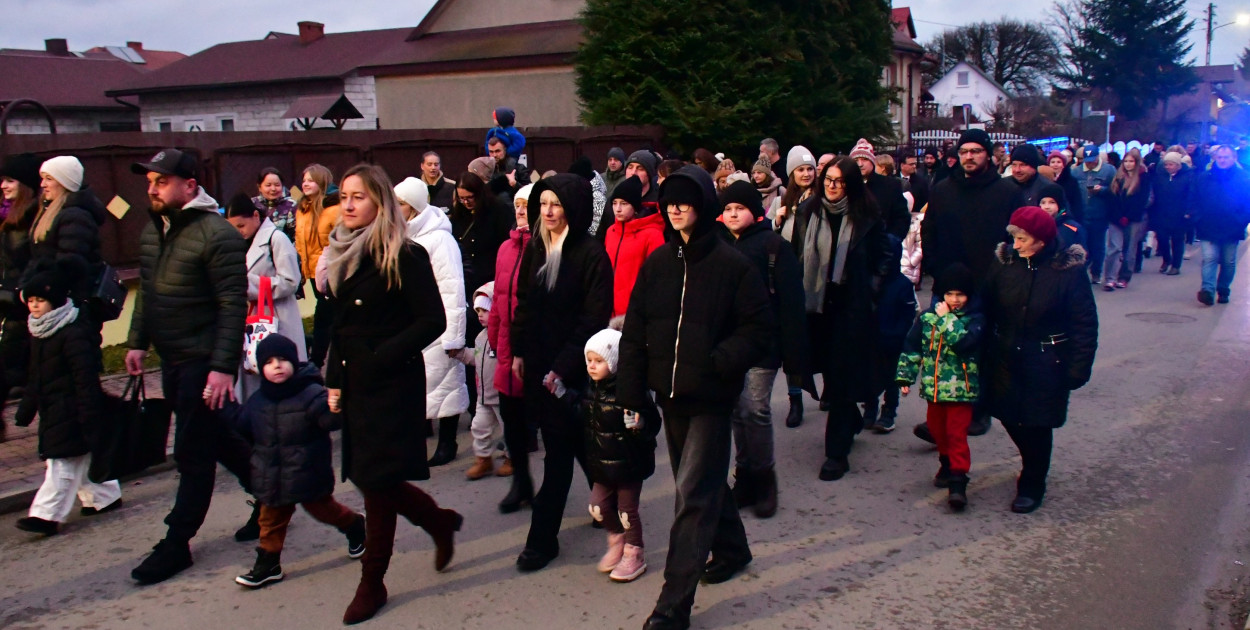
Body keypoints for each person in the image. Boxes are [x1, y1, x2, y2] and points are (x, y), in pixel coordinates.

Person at [617, 165, 772, 630]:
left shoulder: (732, 265)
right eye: (670, 201)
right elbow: (636, 330)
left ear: (703, 205)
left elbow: (759, 329)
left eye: (686, 200)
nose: (676, 207)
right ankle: (733, 548)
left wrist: (719, 362)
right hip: (670, 396)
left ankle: (672, 607)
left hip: (709, 397)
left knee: (693, 497)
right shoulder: (659, 264)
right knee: (701, 483)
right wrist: (632, 390)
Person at [320, 164, 463, 624]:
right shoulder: (343, 251)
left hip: (390, 383)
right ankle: (437, 521)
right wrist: (334, 377)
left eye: (358, 196)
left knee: (376, 483)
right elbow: (342, 326)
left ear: (380, 202)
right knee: (369, 477)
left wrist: (382, 355)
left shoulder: (403, 253)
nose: (348, 204)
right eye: (343, 195)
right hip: (357, 381)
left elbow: (432, 321)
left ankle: (372, 581)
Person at [126, 148, 253, 585]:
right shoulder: (154, 230)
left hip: (203, 360)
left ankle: (176, 543)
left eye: (161, 181)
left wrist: (222, 368)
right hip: (173, 358)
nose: (152, 189)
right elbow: (147, 291)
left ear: (190, 186)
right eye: (150, 182)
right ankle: (273, 496)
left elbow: (233, 305)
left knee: (192, 451)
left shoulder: (217, 234)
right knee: (218, 438)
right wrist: (137, 341)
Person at [511, 174, 614, 572]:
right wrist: (519, 351)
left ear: (573, 207)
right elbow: (525, 302)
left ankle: (542, 541)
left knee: (558, 456)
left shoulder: (591, 254)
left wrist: (562, 368)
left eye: (556, 204)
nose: (548, 212)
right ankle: (608, 503)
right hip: (540, 366)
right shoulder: (537, 247)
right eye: (543, 204)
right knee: (580, 445)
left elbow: (593, 318)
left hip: (574, 370)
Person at [225, 335, 366, 589]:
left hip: (306, 472)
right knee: (269, 521)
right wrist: (224, 406)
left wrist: (337, 407)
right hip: (272, 477)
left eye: (282, 360)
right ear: (260, 368)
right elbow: (243, 426)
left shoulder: (310, 394)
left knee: (324, 511)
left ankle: (354, 525)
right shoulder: (258, 400)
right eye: (268, 362)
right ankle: (268, 564)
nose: (276, 365)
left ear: (294, 361)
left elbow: (330, 422)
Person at [983, 206, 1098, 513]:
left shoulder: (1068, 272)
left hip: (1047, 359)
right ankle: (1031, 462)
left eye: (1022, 239)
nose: (1015, 245)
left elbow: (1084, 323)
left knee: (1036, 422)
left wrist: (1078, 368)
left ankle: (1033, 481)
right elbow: (987, 305)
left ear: (1042, 240)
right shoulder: (1005, 263)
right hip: (1005, 354)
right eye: (1014, 237)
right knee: (1008, 414)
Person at [915, 128, 1018, 444]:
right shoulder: (943, 189)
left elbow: (1013, 239)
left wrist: (1002, 276)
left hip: (988, 286)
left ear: (988, 154)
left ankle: (978, 410)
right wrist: (936, 269)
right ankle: (942, 421)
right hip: (947, 285)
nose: (969, 157)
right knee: (944, 351)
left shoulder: (1006, 192)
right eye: (964, 152)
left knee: (981, 350)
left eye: (975, 151)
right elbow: (928, 231)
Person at [798, 158, 893, 481]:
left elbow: (884, 256)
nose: (832, 186)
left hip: (851, 308)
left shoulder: (867, 214)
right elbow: (795, 250)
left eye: (839, 181)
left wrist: (871, 291)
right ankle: (850, 417)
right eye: (828, 179)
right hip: (815, 306)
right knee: (828, 373)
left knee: (840, 378)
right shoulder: (808, 211)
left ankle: (836, 454)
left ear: (851, 184)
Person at [718, 180, 808, 518]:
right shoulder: (715, 244)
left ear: (754, 212)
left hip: (763, 343)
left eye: (739, 208)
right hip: (727, 344)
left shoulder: (773, 246)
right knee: (736, 412)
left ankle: (765, 479)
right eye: (727, 209)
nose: (732, 214)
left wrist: (794, 350)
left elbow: (791, 301)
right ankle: (744, 477)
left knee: (755, 408)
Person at [13, 258, 121, 536]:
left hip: (71, 408)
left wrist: (88, 413)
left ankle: (45, 515)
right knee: (80, 458)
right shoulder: (40, 331)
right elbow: (36, 376)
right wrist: (26, 409)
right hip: (53, 407)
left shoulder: (72, 333)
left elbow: (85, 378)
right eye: (31, 299)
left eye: (41, 300)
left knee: (61, 463)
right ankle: (105, 496)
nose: (35, 305)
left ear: (56, 300)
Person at [394, 177, 469, 467]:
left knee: (447, 383)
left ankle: (447, 442)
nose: (394, 209)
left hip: (438, 324)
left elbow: (453, 287)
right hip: (411, 324)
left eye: (399, 204)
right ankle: (419, 440)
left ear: (413, 207)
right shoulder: (401, 236)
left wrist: (453, 336)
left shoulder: (440, 239)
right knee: (419, 386)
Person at [896, 263, 984, 511]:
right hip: (934, 390)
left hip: (961, 391)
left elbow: (964, 344)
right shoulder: (926, 319)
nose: (954, 300)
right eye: (949, 294)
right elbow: (912, 348)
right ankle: (946, 463)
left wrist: (946, 319)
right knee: (937, 429)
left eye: (960, 295)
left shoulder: (974, 320)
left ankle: (958, 481)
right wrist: (905, 378)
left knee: (957, 435)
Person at [582, 326, 661, 583]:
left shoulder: (631, 391)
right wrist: (561, 395)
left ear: (614, 363)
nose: (592, 367)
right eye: (589, 361)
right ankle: (617, 540)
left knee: (627, 512)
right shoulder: (591, 389)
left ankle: (633, 552)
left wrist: (640, 425)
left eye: (598, 361)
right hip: (602, 464)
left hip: (629, 464)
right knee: (597, 507)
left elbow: (652, 422)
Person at [224, 193, 305, 402]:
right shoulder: (236, 243)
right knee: (253, 373)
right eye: (233, 228)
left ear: (255, 216)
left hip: (277, 318)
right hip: (251, 321)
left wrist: (249, 284)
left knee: (279, 374)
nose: (238, 233)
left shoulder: (276, 239)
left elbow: (290, 281)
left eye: (241, 226)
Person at [491, 183, 535, 513]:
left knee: (562, 428)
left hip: (535, 351)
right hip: (507, 349)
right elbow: (498, 300)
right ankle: (521, 482)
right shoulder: (505, 248)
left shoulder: (545, 248)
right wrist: (495, 338)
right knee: (513, 423)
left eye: (527, 205)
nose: (520, 211)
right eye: (517, 205)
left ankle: (599, 492)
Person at [31, 156, 106, 333]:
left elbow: (69, 263)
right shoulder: (52, 212)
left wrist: (41, 288)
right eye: (43, 178)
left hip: (73, 306)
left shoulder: (75, 216)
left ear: (66, 182)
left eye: (49, 179)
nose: (43, 184)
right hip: (58, 302)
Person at [865, 239, 918, 434]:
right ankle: (869, 410)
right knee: (870, 376)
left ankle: (888, 413)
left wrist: (897, 336)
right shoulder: (871, 281)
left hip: (894, 341)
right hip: (872, 339)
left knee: (892, 379)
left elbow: (907, 314)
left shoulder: (902, 284)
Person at [0, 153, 40, 411]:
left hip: (24, 306)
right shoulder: (8, 216)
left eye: (9, 180)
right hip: (10, 306)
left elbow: (32, 265)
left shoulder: (34, 218)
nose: (3, 185)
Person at [460, 282, 511, 479]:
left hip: (501, 393)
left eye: (485, 310)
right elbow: (477, 358)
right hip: (483, 395)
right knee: (479, 426)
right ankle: (483, 458)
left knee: (509, 429)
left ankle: (511, 456)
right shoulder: (481, 337)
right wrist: (461, 354)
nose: (480, 315)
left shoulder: (502, 336)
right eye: (478, 310)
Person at [1191, 145, 1250, 305]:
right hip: (1208, 225)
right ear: (1215, 158)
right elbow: (1194, 198)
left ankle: (1223, 289)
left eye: (1226, 157)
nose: (1222, 160)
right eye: (1220, 157)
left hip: (1232, 227)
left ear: (1234, 158)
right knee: (1209, 258)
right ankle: (1207, 290)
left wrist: (1241, 221)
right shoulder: (1204, 177)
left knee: (1228, 261)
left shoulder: (1244, 178)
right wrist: (1197, 218)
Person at [295, 164, 340, 368]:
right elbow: (300, 241)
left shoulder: (333, 209)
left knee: (324, 315)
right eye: (304, 180)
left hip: (330, 271)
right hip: (312, 271)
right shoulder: (302, 208)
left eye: (311, 180)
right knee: (327, 316)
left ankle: (317, 360)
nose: (305, 183)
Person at [450, 172, 514, 306]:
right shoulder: (458, 213)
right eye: (461, 198)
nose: (465, 202)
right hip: (468, 279)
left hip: (491, 277)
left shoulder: (498, 209)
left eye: (469, 197)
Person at [605, 176, 665, 317]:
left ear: (635, 206)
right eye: (614, 203)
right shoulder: (611, 231)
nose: (618, 209)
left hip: (635, 312)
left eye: (624, 203)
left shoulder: (652, 234)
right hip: (608, 310)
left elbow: (657, 277)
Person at [1102, 148, 1152, 291]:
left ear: (1136, 163)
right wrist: (1118, 216)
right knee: (1114, 248)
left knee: (1129, 249)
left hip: (1133, 218)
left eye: (1131, 161)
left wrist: (1128, 216)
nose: (1128, 164)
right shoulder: (1118, 177)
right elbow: (1112, 198)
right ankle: (1110, 278)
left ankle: (1124, 277)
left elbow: (1141, 201)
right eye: (1126, 161)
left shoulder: (1143, 177)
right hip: (1116, 218)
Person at [849, 139, 910, 239]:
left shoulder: (891, 185)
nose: (860, 164)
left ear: (872, 161)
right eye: (856, 160)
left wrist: (891, 240)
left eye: (864, 159)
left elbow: (902, 217)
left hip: (882, 246)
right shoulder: (847, 185)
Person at [1076, 146, 1116, 284]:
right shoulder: (1077, 171)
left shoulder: (1109, 170)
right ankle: (1082, 271)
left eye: (1092, 160)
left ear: (1098, 157)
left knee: (1098, 246)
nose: (1089, 163)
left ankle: (1096, 273)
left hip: (1100, 214)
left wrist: (1103, 190)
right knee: (1083, 245)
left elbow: (1115, 189)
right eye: (1087, 161)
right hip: (1082, 214)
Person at [1151, 151, 1192, 275]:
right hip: (1162, 212)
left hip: (1179, 214)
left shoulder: (1187, 176)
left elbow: (1191, 194)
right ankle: (1166, 260)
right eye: (1166, 164)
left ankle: (1176, 265)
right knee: (1162, 238)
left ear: (1178, 165)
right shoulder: (1161, 176)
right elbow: (1155, 192)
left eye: (1171, 165)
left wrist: (1189, 211)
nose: (1168, 167)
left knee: (1177, 240)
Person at [768, 145, 818, 244]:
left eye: (810, 169)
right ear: (792, 173)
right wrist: (776, 222)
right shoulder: (780, 201)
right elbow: (765, 231)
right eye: (801, 170)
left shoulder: (822, 199)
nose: (806, 174)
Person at [251, 168, 297, 242]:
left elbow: (295, 236)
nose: (273, 189)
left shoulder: (291, 205)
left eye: (277, 185)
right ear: (259, 187)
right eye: (268, 185)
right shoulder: (252, 204)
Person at [1038, 183, 1086, 251]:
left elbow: (1082, 253)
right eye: (1043, 203)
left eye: (1052, 202)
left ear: (1059, 204)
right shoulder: (1036, 226)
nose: (1046, 207)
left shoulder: (1072, 228)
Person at [1048, 150, 1085, 223]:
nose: (1055, 165)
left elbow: (1076, 203)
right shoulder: (1045, 180)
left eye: (1058, 162)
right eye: (1053, 162)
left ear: (1063, 165)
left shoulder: (1071, 181)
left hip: (1067, 218)